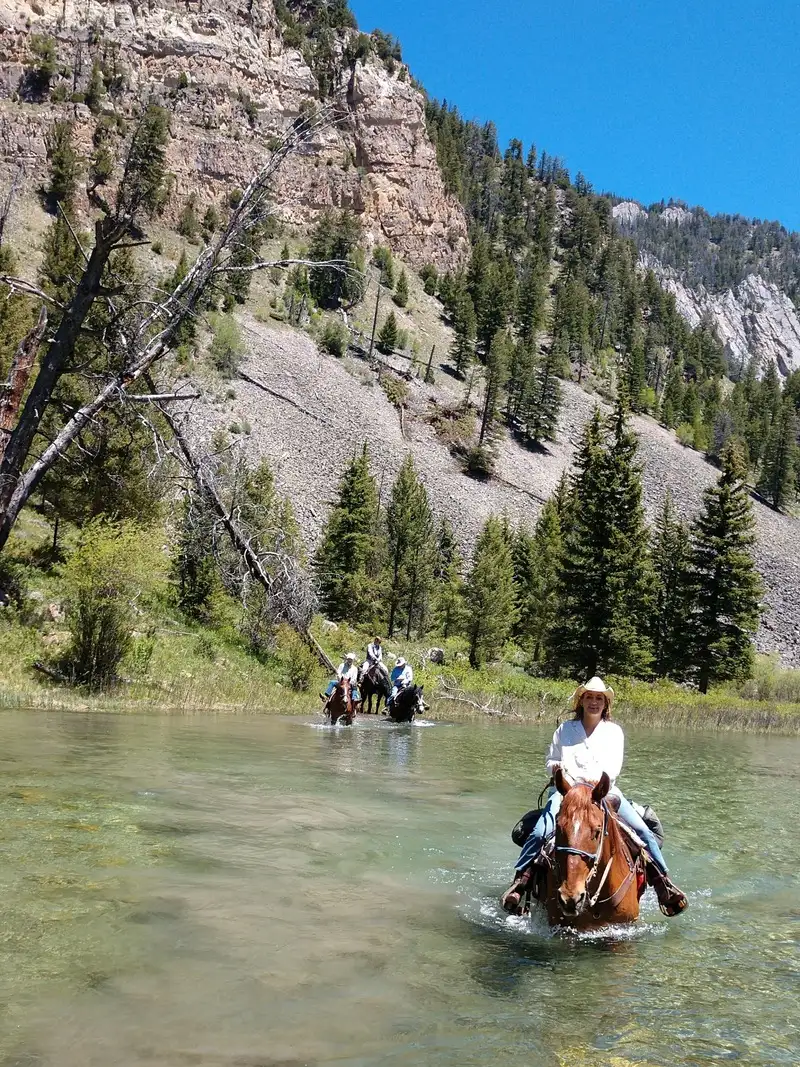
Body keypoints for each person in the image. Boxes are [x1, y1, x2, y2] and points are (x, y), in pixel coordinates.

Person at [501, 676, 688, 917]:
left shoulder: (613, 732)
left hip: (604, 792)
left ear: (605, 703)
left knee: (641, 833)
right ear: (582, 700)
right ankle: (520, 882)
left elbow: (613, 767)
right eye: (589, 697)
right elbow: (550, 760)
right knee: (539, 833)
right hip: (567, 791)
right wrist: (558, 770)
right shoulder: (565, 729)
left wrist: (595, 783)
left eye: (599, 698)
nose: (594, 702)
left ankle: (665, 886)